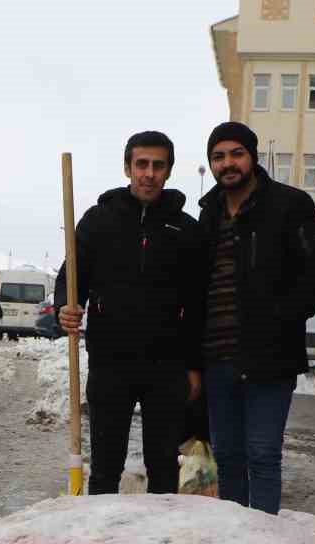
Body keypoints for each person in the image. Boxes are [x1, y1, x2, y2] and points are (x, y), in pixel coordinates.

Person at [56, 130, 206, 495]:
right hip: (111, 361)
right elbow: (72, 275)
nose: (149, 173)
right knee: (106, 466)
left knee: (163, 467)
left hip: (166, 366)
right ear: (127, 167)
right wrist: (66, 305)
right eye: (141, 164)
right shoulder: (98, 221)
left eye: (158, 165)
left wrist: (194, 365)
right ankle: (102, 543)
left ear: (168, 171)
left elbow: (198, 301)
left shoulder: (185, 230)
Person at [197, 121, 315, 514]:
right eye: (219, 156)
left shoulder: (290, 205)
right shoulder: (208, 214)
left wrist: (282, 319)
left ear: (253, 157)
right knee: (227, 457)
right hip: (218, 357)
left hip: (270, 359)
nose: (228, 164)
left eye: (236, 154)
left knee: (261, 455)